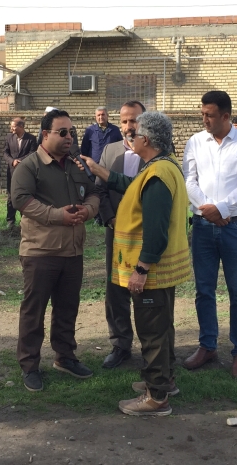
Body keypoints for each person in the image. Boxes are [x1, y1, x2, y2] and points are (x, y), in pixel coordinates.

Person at [81, 112, 190, 416]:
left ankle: (156, 398)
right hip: (164, 269)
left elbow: (155, 230)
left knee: (152, 332)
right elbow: (132, 185)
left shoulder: (157, 175)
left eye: (134, 135)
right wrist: (101, 171)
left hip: (151, 271)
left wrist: (141, 269)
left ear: (146, 140)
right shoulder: (161, 167)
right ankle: (164, 380)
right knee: (163, 327)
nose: (129, 138)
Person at [10, 109, 100, 392]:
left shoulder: (75, 165)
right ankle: (29, 365)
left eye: (71, 132)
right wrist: (57, 215)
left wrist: (89, 210)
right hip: (41, 252)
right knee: (33, 311)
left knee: (67, 308)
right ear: (45, 134)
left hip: (72, 251)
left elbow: (94, 193)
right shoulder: (29, 166)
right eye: (62, 132)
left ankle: (65, 356)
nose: (69, 137)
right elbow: (21, 200)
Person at [182, 91, 237, 379]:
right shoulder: (195, 142)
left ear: (226, 116)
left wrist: (223, 208)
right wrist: (207, 209)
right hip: (203, 225)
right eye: (202, 113)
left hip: (234, 225)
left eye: (210, 115)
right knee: (204, 289)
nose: (204, 119)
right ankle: (207, 345)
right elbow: (189, 178)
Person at [96, 100, 145, 369]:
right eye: (125, 121)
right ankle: (120, 345)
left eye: (134, 120)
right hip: (116, 232)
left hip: (145, 233)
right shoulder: (110, 150)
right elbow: (100, 190)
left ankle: (153, 345)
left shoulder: (157, 151)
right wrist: (111, 218)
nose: (129, 126)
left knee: (146, 287)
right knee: (115, 288)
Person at [4, 117, 37, 229]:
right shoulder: (9, 137)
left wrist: (20, 161)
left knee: (25, 194)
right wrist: (12, 161)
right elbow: (5, 153)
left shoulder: (31, 139)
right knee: (11, 195)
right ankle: (10, 220)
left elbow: (33, 153)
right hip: (12, 171)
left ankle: (25, 219)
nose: (11, 128)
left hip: (25, 172)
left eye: (13, 126)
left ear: (21, 127)